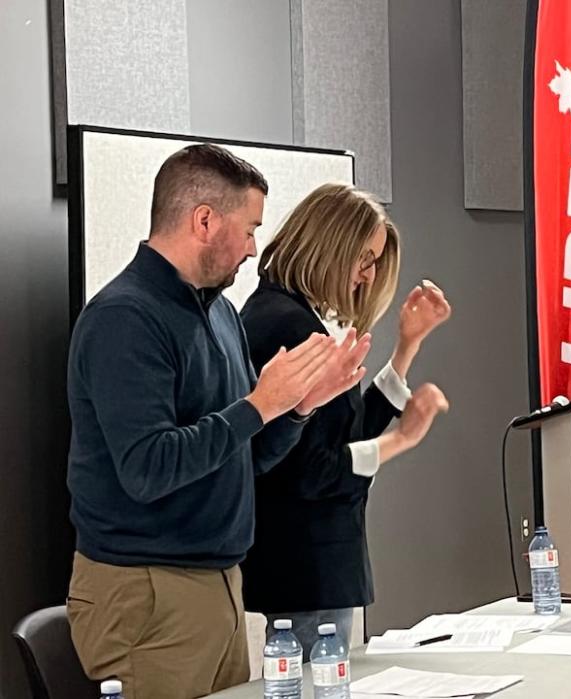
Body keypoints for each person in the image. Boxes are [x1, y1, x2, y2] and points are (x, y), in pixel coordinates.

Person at [66, 144, 369, 698]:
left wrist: (297, 406)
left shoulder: (221, 313)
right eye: (249, 229)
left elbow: (241, 458)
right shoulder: (124, 318)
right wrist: (257, 405)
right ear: (204, 220)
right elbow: (148, 468)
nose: (254, 249)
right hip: (148, 592)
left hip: (220, 586)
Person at [239, 183, 451, 656]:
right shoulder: (288, 325)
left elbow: (344, 431)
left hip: (313, 572)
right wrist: (401, 440)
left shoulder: (292, 316)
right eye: (364, 258)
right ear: (330, 244)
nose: (368, 275)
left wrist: (406, 347)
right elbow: (308, 470)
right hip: (306, 571)